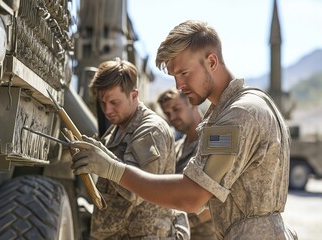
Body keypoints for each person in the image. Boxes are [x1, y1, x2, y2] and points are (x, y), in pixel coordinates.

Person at [71, 20, 298, 239]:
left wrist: (112, 169)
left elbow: (193, 197)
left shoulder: (239, 114)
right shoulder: (244, 106)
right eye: (174, 77)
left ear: (211, 62)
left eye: (184, 73)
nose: (179, 85)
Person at [78, 58, 189, 240]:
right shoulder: (117, 128)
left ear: (134, 95)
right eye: (103, 102)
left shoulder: (149, 131)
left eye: (114, 102)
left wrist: (106, 163)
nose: (107, 110)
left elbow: (139, 191)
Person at [157, 88, 217, 240]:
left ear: (192, 104)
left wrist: (185, 223)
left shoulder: (212, 143)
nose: (173, 117)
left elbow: (218, 197)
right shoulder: (177, 149)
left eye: (176, 109)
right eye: (168, 113)